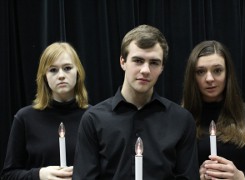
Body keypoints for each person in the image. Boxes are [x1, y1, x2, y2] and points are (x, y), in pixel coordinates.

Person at [72, 24, 199, 179]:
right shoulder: (93, 119)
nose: (145, 70)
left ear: (162, 68)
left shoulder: (181, 120)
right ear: (122, 62)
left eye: (154, 63)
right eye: (138, 60)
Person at [182, 40, 245, 179]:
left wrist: (241, 177)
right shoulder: (180, 119)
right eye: (200, 71)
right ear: (192, 77)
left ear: (228, 73)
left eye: (217, 70)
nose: (209, 78)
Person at [1, 42, 89, 180]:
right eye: (53, 70)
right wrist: (38, 175)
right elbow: (8, 175)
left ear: (78, 72)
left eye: (67, 68)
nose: (61, 75)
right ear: (44, 76)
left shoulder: (93, 117)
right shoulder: (25, 118)